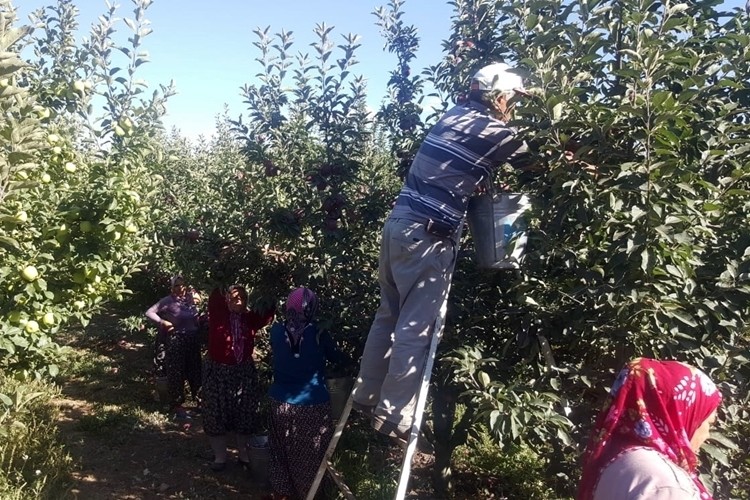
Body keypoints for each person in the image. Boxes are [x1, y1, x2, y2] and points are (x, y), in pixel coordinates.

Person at [352, 62, 533, 439]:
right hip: (428, 238)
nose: (514, 106)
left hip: (398, 226)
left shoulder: (454, 115)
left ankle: (367, 394)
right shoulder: (496, 132)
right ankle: (393, 416)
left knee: (388, 315)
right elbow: (535, 165)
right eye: (513, 98)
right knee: (416, 328)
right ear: (498, 97)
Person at [577, 357, 722, 500]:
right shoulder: (665, 485)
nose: (708, 435)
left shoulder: (618, 462)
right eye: (709, 423)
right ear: (684, 416)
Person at [266, 287, 349, 500]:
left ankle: (282, 493)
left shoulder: (276, 330)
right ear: (312, 307)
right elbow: (337, 358)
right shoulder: (320, 333)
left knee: (280, 451)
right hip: (311, 405)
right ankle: (309, 495)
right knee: (310, 457)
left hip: (279, 402)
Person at [201, 285, 274, 472]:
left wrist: (271, 285)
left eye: (242, 298)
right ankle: (220, 457)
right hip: (218, 371)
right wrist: (222, 273)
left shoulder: (250, 319)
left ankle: (243, 455)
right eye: (234, 297)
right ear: (226, 300)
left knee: (245, 413)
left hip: (243, 372)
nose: (238, 301)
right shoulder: (218, 314)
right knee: (215, 413)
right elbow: (216, 293)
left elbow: (267, 313)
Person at [145, 275, 203, 418]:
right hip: (176, 340)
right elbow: (149, 312)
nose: (180, 288)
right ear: (172, 287)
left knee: (196, 371)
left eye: (182, 285)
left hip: (193, 340)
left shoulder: (190, 300)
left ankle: (201, 402)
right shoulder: (168, 301)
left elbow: (198, 317)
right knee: (176, 372)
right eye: (176, 285)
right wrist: (162, 322)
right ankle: (177, 405)